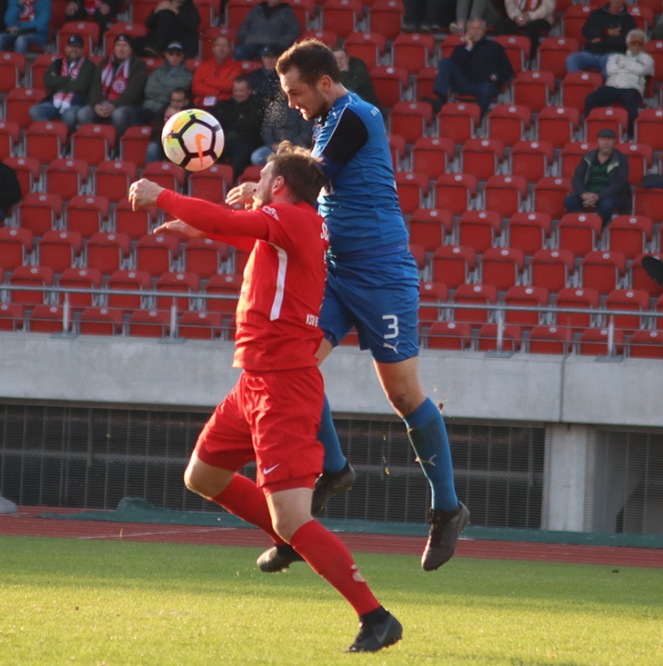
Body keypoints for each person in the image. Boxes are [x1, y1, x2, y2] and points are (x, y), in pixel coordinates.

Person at [128, 143, 404, 653]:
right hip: (255, 381)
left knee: (295, 517)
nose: (253, 186)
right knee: (203, 476)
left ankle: (376, 616)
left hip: (283, 385)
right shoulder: (294, 222)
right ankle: (286, 540)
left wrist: (161, 195)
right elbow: (245, 231)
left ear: (278, 186)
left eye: (261, 178)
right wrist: (203, 229)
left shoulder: (294, 218)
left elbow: (237, 221)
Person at [229, 38, 470, 574]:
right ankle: (333, 468)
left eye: (296, 93)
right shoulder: (323, 118)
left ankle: (447, 508)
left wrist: (265, 187)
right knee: (294, 364)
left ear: (323, 82)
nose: (291, 102)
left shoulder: (354, 115)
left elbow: (313, 175)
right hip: (336, 272)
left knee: (405, 395)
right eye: (286, 95)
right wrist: (265, 190)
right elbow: (310, 181)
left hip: (382, 273)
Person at [425, 18, 514, 117]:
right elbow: (454, 65)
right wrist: (468, 47)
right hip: (464, 83)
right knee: (445, 62)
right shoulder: (461, 48)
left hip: (484, 84)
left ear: (484, 31)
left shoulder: (495, 47)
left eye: (478, 29)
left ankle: (476, 119)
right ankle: (441, 101)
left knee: (487, 88)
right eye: (471, 29)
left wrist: (495, 76)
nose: (474, 32)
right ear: (467, 31)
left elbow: (508, 70)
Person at [584, 30, 653, 138]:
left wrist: (622, 65)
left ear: (644, 45)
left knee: (631, 106)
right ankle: (588, 130)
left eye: (640, 43)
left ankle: (631, 136)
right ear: (628, 44)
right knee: (590, 98)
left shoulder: (647, 59)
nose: (636, 46)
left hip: (632, 87)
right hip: (612, 85)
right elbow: (610, 70)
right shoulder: (616, 56)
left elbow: (641, 70)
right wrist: (633, 66)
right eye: (634, 42)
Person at [77, 34, 148, 138]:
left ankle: (116, 146)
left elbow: (133, 92)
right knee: (83, 113)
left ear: (131, 49)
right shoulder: (104, 62)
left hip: (127, 105)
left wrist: (114, 105)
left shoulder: (138, 64)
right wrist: (96, 104)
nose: (121, 49)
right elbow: (95, 85)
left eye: (125, 45)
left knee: (118, 115)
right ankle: (93, 144)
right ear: (114, 49)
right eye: (118, 45)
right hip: (103, 103)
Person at [564, 128, 631, 230]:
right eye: (602, 139)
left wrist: (598, 196)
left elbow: (620, 183)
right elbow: (577, 179)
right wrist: (584, 194)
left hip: (610, 195)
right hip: (588, 193)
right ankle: (584, 224)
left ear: (614, 142)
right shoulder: (588, 157)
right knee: (569, 201)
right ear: (598, 141)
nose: (605, 143)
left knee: (606, 206)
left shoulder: (621, 159)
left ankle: (599, 228)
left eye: (609, 140)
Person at [29, 35, 96, 132]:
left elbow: (81, 85)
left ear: (82, 50)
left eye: (77, 47)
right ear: (66, 48)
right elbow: (48, 82)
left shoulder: (89, 65)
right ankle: (52, 134)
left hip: (75, 103)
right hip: (55, 102)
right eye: (71, 46)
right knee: (34, 111)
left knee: (69, 116)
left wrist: (58, 81)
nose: (74, 49)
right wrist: (69, 79)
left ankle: (66, 142)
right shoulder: (58, 63)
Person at [214, 76, 265, 180]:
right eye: (235, 90)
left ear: (249, 91)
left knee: (239, 157)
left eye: (241, 91)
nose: (238, 94)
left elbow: (252, 126)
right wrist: (240, 121)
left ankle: (232, 186)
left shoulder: (258, 106)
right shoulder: (225, 105)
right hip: (227, 141)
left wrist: (235, 122)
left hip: (248, 142)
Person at [566, 0, 637, 76]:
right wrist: (606, 32)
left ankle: (602, 86)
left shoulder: (629, 20)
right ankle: (580, 84)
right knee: (572, 59)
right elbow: (586, 32)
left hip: (611, 54)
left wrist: (602, 39)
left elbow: (623, 41)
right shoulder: (596, 14)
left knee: (610, 63)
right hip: (591, 53)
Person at [250, 93, 314, 166]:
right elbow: (266, 129)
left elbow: (307, 133)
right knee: (256, 157)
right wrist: (272, 144)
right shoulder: (274, 105)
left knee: (306, 159)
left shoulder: (302, 107)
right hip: (274, 148)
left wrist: (289, 145)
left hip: (296, 147)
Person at [140, 41, 193, 122]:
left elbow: (178, 93)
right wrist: (168, 89)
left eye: (178, 54)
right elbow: (149, 91)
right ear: (166, 55)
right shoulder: (157, 71)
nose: (174, 56)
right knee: (126, 114)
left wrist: (161, 85)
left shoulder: (188, 75)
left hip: (170, 110)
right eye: (171, 53)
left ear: (182, 56)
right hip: (149, 108)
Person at [233, 0, 300, 62]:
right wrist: (244, 38)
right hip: (251, 42)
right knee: (238, 52)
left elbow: (294, 30)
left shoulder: (287, 12)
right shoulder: (257, 9)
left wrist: (281, 43)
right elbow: (244, 25)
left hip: (272, 44)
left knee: (266, 56)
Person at [145, 87, 191, 164]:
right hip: (165, 144)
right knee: (152, 148)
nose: (174, 104)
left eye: (178, 101)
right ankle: (153, 175)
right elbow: (155, 133)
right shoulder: (163, 111)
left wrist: (177, 117)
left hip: (184, 146)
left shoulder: (192, 112)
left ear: (186, 102)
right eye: (172, 100)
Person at [191, 37, 239, 108]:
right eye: (218, 45)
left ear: (230, 49)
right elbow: (196, 87)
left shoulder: (236, 67)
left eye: (225, 46)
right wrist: (217, 93)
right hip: (202, 104)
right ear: (213, 49)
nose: (221, 49)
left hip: (226, 105)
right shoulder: (203, 66)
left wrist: (207, 81)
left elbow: (229, 86)